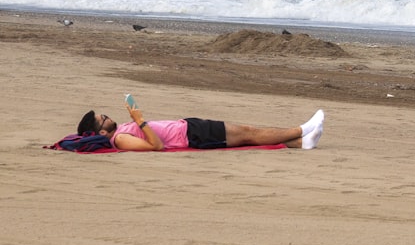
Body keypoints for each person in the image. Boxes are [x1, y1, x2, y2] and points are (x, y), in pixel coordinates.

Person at [76, 100, 325, 151]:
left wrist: (137, 121)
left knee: (248, 134)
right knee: (249, 133)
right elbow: (156, 145)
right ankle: (301, 129)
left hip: (190, 126)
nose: (107, 116)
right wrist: (140, 121)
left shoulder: (120, 130)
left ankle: (302, 142)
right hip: (193, 136)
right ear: (100, 131)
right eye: (103, 118)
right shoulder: (118, 139)